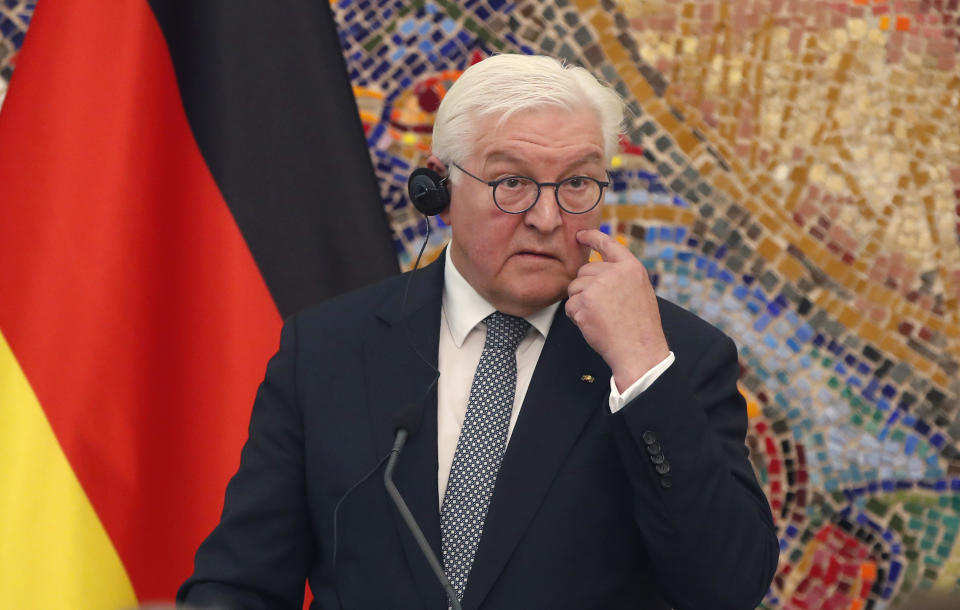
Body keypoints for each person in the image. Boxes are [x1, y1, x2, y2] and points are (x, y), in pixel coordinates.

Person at [178, 54, 779, 609]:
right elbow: (240, 583)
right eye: (511, 181)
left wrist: (644, 370)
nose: (547, 219)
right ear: (439, 187)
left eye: (576, 184)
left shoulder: (677, 356)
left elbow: (726, 589)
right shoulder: (328, 348)